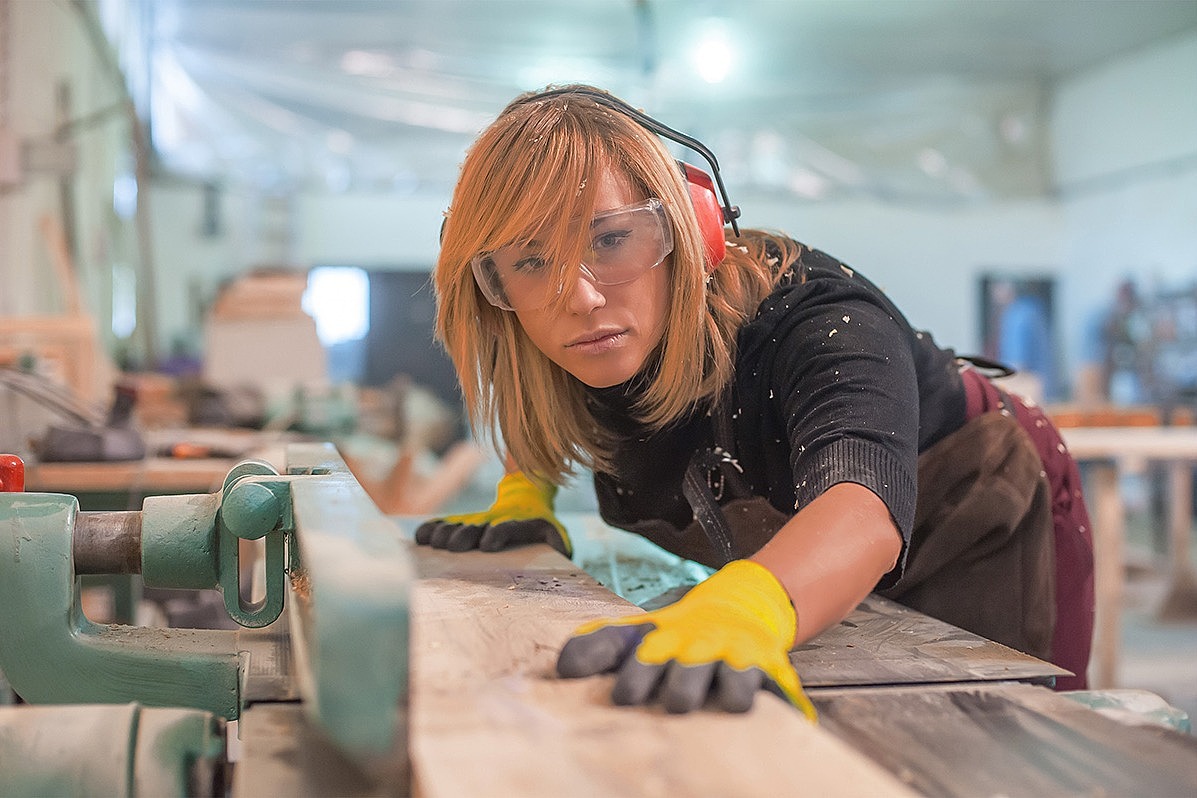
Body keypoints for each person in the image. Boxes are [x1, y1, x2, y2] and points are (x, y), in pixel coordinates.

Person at [418, 85, 1094, 717]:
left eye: (610, 238)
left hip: (982, 509)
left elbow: (858, 507)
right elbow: (543, 398)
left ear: (687, 229)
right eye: (532, 261)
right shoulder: (592, 335)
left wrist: (746, 605)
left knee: (995, 732)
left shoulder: (818, 323)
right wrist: (523, 498)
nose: (582, 296)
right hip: (820, 557)